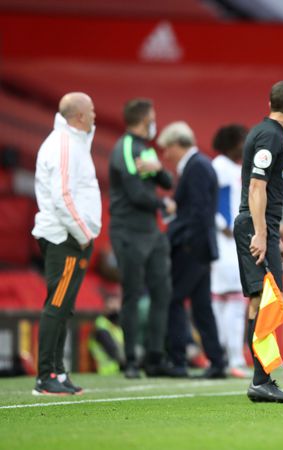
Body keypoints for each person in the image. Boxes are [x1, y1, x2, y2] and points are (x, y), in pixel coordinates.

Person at [234, 80, 283, 403]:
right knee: (264, 301)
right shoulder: (270, 135)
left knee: (262, 301)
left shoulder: (270, 134)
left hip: (263, 227)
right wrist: (261, 233)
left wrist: (272, 236)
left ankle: (262, 379)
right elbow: (256, 188)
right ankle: (261, 380)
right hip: (254, 225)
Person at [31, 92, 101, 395]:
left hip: (70, 236)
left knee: (64, 306)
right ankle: (45, 375)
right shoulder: (62, 145)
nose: (96, 116)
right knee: (57, 305)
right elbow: (62, 196)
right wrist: (83, 233)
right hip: (65, 237)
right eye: (92, 111)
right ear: (80, 117)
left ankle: (57, 373)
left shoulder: (73, 140)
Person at [109, 98, 175, 379]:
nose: (155, 123)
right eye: (153, 118)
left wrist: (158, 169)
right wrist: (163, 205)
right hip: (129, 231)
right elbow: (135, 193)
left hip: (151, 231)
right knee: (133, 294)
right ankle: (132, 360)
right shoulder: (125, 147)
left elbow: (167, 182)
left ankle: (155, 357)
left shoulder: (146, 149)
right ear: (144, 119)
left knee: (162, 293)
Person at [158, 121, 225, 379]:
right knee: (201, 306)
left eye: (167, 149)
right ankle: (216, 361)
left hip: (191, 247)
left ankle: (178, 360)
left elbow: (198, 212)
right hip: (201, 247)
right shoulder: (200, 165)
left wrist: (180, 237)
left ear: (177, 145)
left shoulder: (195, 167)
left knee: (174, 300)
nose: (166, 155)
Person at [210, 124, 249, 378]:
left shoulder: (235, 168)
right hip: (226, 243)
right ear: (232, 142)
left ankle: (225, 355)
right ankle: (232, 357)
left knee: (226, 301)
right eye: (243, 140)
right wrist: (223, 225)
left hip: (235, 242)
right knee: (232, 301)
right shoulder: (219, 167)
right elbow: (213, 201)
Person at [88, 292, 125, 375]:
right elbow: (112, 350)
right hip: (105, 371)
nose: (114, 308)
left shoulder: (117, 326)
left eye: (117, 305)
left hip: (118, 371)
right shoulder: (100, 325)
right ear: (105, 307)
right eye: (111, 305)